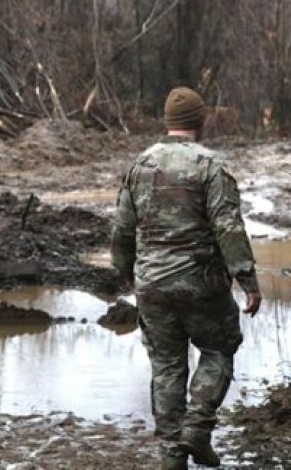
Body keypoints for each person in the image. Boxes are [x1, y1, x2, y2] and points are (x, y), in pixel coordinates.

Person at [110, 86, 262, 470]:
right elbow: (228, 227)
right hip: (201, 283)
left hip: (152, 284)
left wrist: (127, 275)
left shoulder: (139, 165)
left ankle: (171, 458)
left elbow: (121, 231)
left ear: (167, 121)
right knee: (217, 349)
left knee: (166, 366)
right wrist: (247, 279)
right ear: (201, 120)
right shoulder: (211, 166)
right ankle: (197, 427)